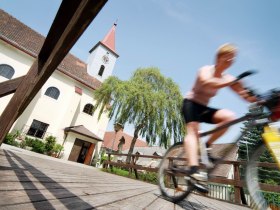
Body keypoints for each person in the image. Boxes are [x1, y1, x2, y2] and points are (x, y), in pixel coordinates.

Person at [182, 43, 256, 193]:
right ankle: (192, 171)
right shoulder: (205, 70)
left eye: (232, 58)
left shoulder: (227, 77)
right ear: (219, 57)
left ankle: (207, 144)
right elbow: (207, 82)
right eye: (227, 56)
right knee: (193, 132)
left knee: (229, 117)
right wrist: (232, 82)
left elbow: (243, 94)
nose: (230, 60)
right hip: (190, 103)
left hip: (204, 108)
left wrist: (261, 101)